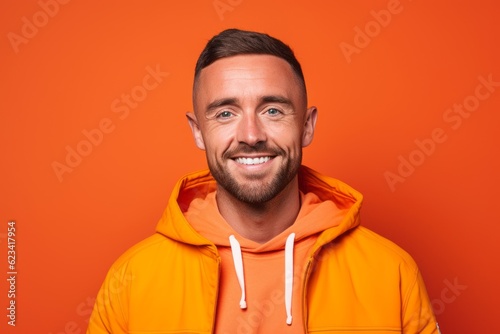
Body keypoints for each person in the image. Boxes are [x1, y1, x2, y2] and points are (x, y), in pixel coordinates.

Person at [86, 28, 440, 333]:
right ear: (198, 132)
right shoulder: (131, 281)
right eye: (225, 113)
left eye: (272, 110)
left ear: (306, 125)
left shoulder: (391, 273)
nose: (251, 135)